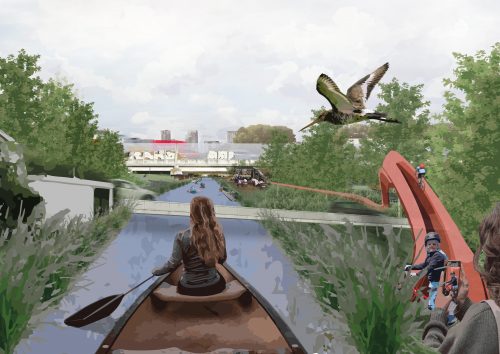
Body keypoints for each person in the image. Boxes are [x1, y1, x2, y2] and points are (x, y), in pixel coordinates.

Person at [422, 203, 500, 353]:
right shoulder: (484, 317)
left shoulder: (484, 317)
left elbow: (487, 326)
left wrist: (438, 315)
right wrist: (463, 304)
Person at [151, 196, 227, 296]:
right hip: (214, 287)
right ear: (211, 212)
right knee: (220, 275)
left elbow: (172, 264)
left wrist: (156, 271)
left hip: (188, 288)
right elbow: (222, 259)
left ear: (192, 213)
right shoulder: (218, 233)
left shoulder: (181, 236)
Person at [405, 232, 447, 310]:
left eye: (434, 244)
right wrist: (409, 267)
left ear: (438, 245)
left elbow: (429, 267)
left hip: (435, 280)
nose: (431, 246)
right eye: (429, 244)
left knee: (430, 300)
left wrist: (417, 274)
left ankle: (431, 313)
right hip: (429, 279)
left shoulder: (438, 255)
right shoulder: (430, 256)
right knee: (419, 292)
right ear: (426, 246)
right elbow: (423, 265)